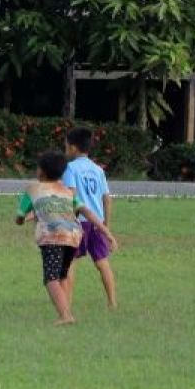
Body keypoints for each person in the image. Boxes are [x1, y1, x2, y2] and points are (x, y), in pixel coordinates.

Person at [16, 150, 118, 325]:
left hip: (52, 238)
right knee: (62, 275)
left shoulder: (32, 190)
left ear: (41, 171)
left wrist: (21, 219)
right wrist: (106, 231)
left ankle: (66, 315)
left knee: (51, 278)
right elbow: (86, 211)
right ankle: (66, 310)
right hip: (73, 238)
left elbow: (20, 216)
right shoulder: (67, 191)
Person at [63, 127, 118, 309]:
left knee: (70, 263)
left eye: (66, 144)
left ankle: (66, 306)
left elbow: (72, 195)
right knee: (102, 262)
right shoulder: (97, 170)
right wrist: (106, 226)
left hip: (78, 221)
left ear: (73, 148)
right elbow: (106, 199)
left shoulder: (70, 168)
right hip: (97, 223)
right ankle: (112, 303)